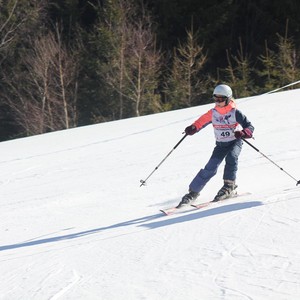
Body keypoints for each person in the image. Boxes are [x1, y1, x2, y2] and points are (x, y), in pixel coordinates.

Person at [177, 84, 254, 208]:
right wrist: (193, 128)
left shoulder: (235, 112)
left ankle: (229, 186)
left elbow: (249, 127)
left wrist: (244, 133)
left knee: (232, 158)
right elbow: (200, 122)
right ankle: (193, 193)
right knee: (210, 167)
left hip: (235, 142)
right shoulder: (213, 113)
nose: (218, 102)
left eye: (221, 99)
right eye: (215, 99)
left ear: (228, 99)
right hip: (221, 144)